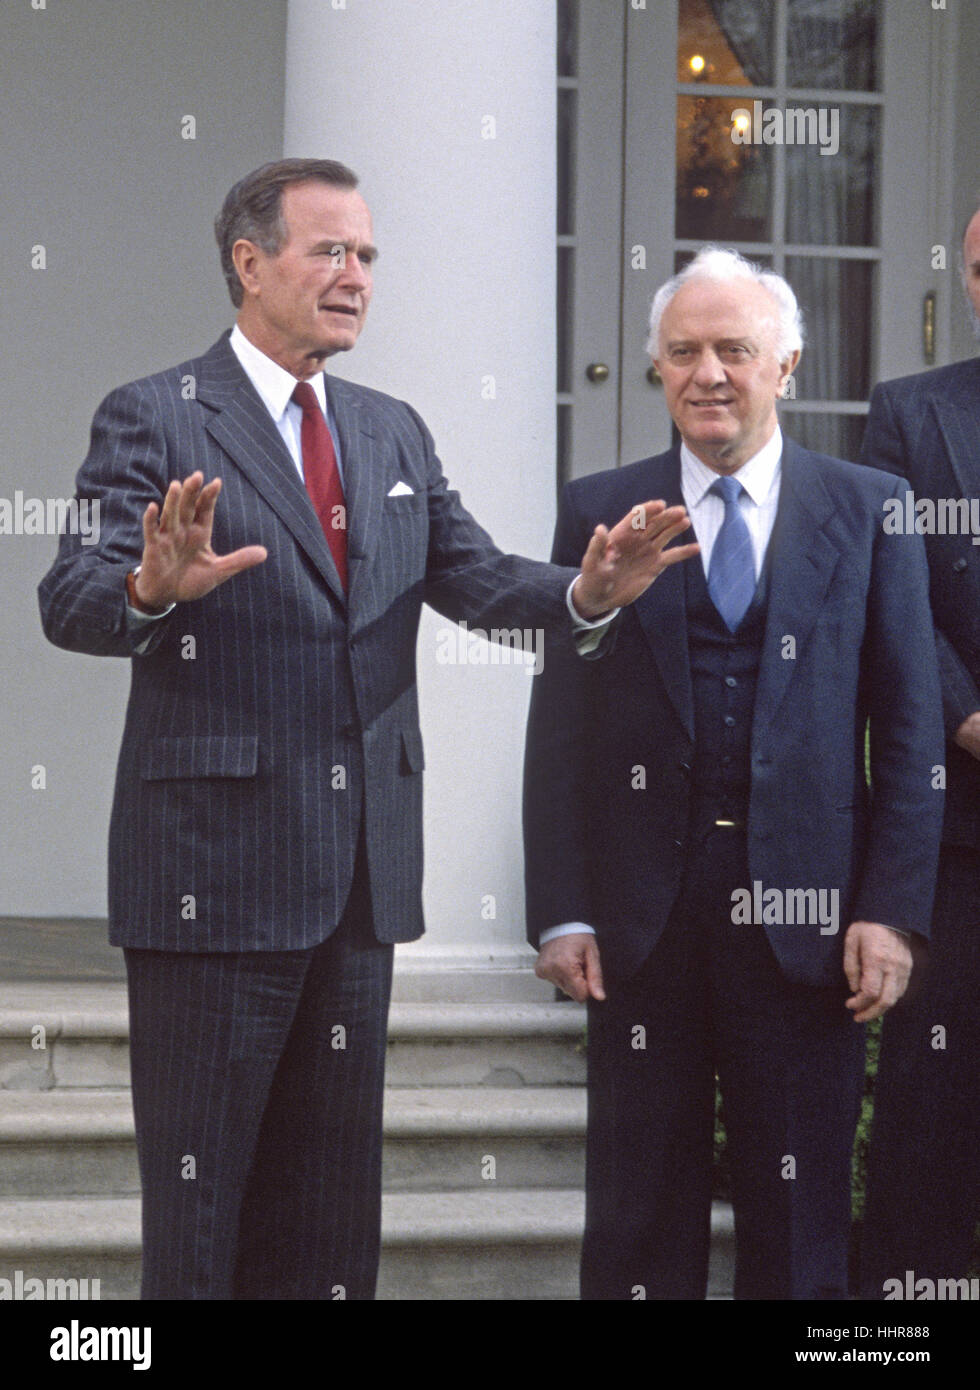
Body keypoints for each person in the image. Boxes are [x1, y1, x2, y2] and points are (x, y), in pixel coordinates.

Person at [37, 158, 695, 1300]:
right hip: (213, 880)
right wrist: (151, 589)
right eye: (328, 252)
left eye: (368, 257)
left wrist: (587, 593)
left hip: (359, 882)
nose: (355, 278)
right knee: (200, 1215)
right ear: (248, 263)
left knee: (329, 1218)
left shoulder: (389, 432)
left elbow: (478, 579)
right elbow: (71, 598)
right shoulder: (156, 411)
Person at [523, 246, 945, 1300]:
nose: (706, 373)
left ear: (785, 364)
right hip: (639, 920)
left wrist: (889, 911)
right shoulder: (599, 507)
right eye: (681, 353)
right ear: (657, 370)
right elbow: (558, 726)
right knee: (634, 1211)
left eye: (732, 350)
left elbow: (907, 731)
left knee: (798, 1216)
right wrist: (560, 908)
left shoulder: (867, 506)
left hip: (806, 920)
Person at [858, 202, 980, 1297]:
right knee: (931, 1099)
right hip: (958, 824)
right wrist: (963, 713)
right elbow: (888, 588)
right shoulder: (908, 413)